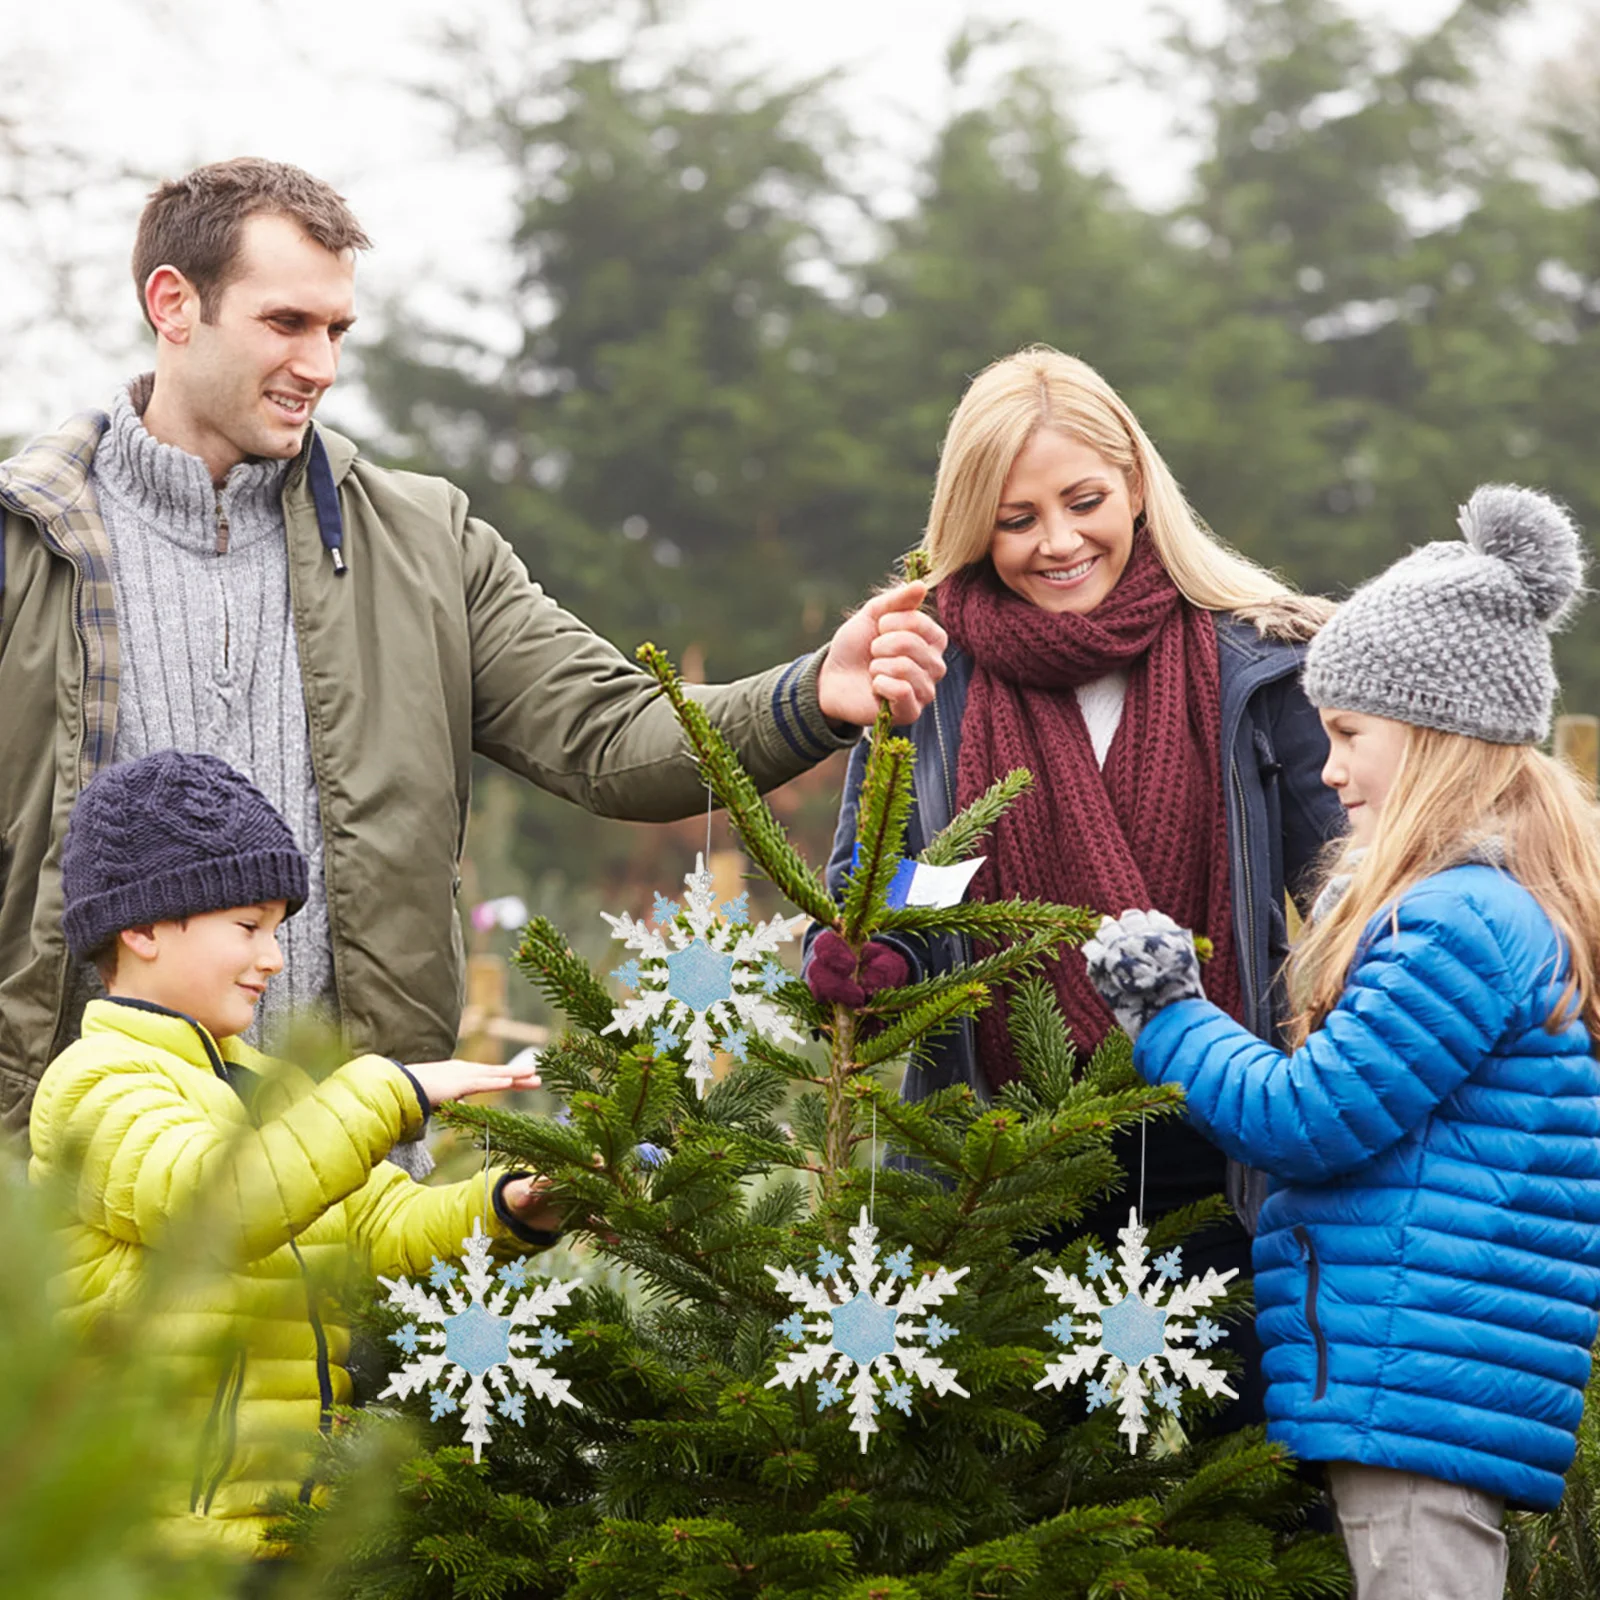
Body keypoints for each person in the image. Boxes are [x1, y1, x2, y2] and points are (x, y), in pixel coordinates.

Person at [0, 157, 947, 1130]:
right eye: (286, 324)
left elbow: (607, 730)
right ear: (172, 304)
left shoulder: (426, 543)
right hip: (78, 1188)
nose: (320, 366)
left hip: (357, 1175)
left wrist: (809, 693)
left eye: (336, 331)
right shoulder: (23, 545)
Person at [1083, 484, 1600, 1599]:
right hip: (1415, 1368)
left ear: (1434, 738)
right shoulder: (1500, 908)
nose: (1327, 769)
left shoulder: (1456, 922)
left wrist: (1166, 1009)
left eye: (1350, 734)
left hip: (1411, 1379)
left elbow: (1308, 1117)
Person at [807, 346, 1343, 1420]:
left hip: (1226, 1164)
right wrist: (876, 942)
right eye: (1015, 519)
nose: (1057, 542)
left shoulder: (1260, 658)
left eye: (1083, 500)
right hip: (999, 1166)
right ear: (973, 522)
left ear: (1136, 485)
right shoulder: (929, 670)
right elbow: (924, 877)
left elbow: (1346, 886)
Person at [29, 749, 564, 1563]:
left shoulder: (267, 1085)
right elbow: (221, 1206)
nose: (273, 959)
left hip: (290, 1534)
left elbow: (381, 1223)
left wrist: (512, 1205)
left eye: (277, 930)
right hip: (161, 1546)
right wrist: (393, 1089)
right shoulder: (93, 1085)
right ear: (139, 927)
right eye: (247, 928)